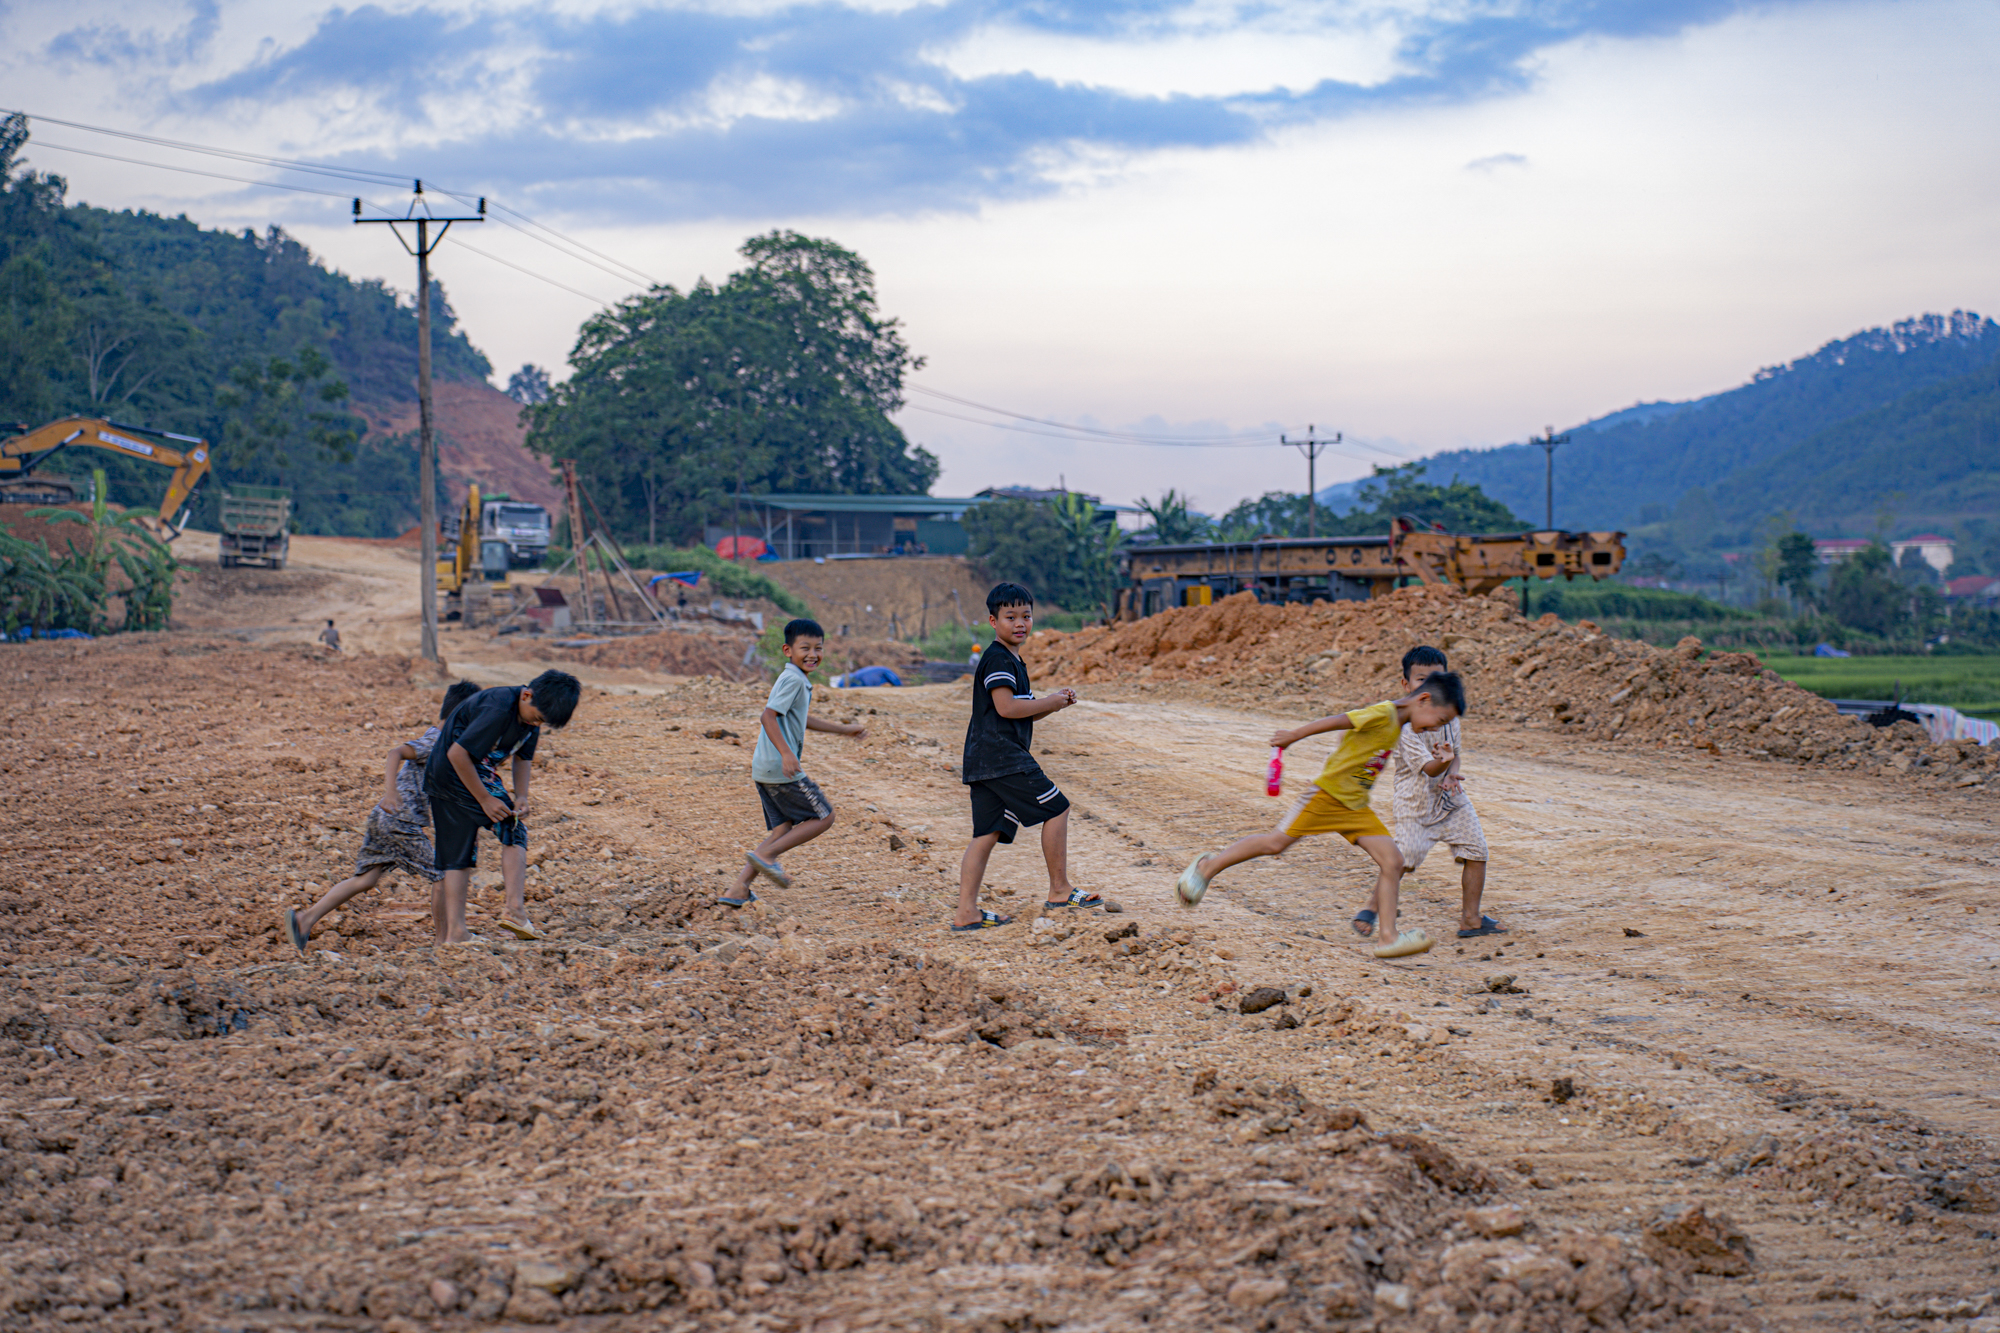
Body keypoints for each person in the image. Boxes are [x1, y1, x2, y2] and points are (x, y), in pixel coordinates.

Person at [1173, 672, 1467, 959]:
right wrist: (1294, 736)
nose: (1434, 729)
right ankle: (1206, 868)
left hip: (1355, 807)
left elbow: (1419, 764)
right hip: (1326, 796)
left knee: (1393, 861)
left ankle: (1389, 938)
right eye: (1439, 721)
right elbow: (1340, 721)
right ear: (1424, 700)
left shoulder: (1400, 725)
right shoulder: (1384, 713)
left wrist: (1444, 763)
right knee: (1276, 843)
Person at [283, 680, 481, 953]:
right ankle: (444, 943)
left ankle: (305, 920)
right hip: (400, 822)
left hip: (383, 818)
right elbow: (395, 752)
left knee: (366, 879)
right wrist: (390, 793)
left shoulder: (440, 740)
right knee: (444, 877)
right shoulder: (436, 741)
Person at [952, 582, 1099, 931]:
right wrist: (1049, 701)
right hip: (1002, 756)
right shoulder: (998, 658)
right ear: (993, 620)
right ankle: (1060, 890)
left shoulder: (1013, 659)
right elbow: (1006, 707)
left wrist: (1053, 703)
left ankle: (966, 912)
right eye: (1010, 617)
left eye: (1026, 616)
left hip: (984, 760)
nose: (1020, 623)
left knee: (987, 833)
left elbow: (1024, 710)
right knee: (1057, 808)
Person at [424, 670, 582, 946]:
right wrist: (485, 799)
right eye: (538, 717)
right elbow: (456, 754)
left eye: (543, 722)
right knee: (507, 831)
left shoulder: (531, 718)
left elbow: (523, 758)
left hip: (463, 774)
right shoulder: (497, 708)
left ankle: (457, 934)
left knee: (463, 852)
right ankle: (512, 912)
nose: (537, 723)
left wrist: (522, 795)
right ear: (526, 694)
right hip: (451, 774)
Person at [729, 618, 869, 906]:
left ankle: (738, 889)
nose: (813, 654)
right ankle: (767, 856)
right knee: (824, 816)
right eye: (804, 647)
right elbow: (768, 716)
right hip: (780, 766)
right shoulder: (793, 678)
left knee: (783, 829)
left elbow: (802, 719)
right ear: (787, 650)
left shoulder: (796, 679)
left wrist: (844, 729)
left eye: (818, 648)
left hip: (765, 768)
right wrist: (787, 753)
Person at [1393, 646, 1501, 939]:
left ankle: (1471, 919)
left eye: (1436, 679)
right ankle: (1372, 909)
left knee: (1477, 849)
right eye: (1420, 680)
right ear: (1406, 685)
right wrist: (1442, 763)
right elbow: (1429, 769)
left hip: (1450, 799)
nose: (1429, 687)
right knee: (1402, 860)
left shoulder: (1450, 717)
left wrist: (1453, 772)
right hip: (1416, 804)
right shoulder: (1405, 727)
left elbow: (1456, 754)